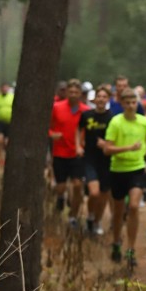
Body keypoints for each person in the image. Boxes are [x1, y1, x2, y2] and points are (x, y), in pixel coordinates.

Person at [103, 88, 146, 268]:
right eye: (128, 103)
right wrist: (128, 148)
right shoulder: (116, 122)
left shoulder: (144, 122)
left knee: (133, 206)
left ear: (137, 103)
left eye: (134, 103)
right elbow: (107, 149)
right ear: (122, 104)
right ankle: (116, 242)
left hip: (137, 169)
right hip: (117, 170)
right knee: (118, 212)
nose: (131, 106)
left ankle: (130, 248)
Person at [49, 79, 91, 225]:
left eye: (76, 92)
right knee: (60, 186)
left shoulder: (86, 111)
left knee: (78, 185)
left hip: (78, 154)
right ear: (66, 92)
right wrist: (51, 134)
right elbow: (46, 126)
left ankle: (73, 217)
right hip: (60, 152)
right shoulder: (56, 107)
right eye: (70, 91)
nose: (73, 94)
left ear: (81, 94)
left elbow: (90, 130)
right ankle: (60, 198)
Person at [77, 85, 115, 235]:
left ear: (108, 99)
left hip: (106, 160)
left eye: (104, 97)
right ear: (94, 99)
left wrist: (106, 144)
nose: (101, 99)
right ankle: (90, 216)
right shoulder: (87, 115)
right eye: (99, 96)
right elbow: (79, 130)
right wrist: (78, 145)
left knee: (104, 194)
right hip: (90, 158)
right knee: (94, 193)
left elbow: (117, 139)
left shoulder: (112, 118)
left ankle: (97, 222)